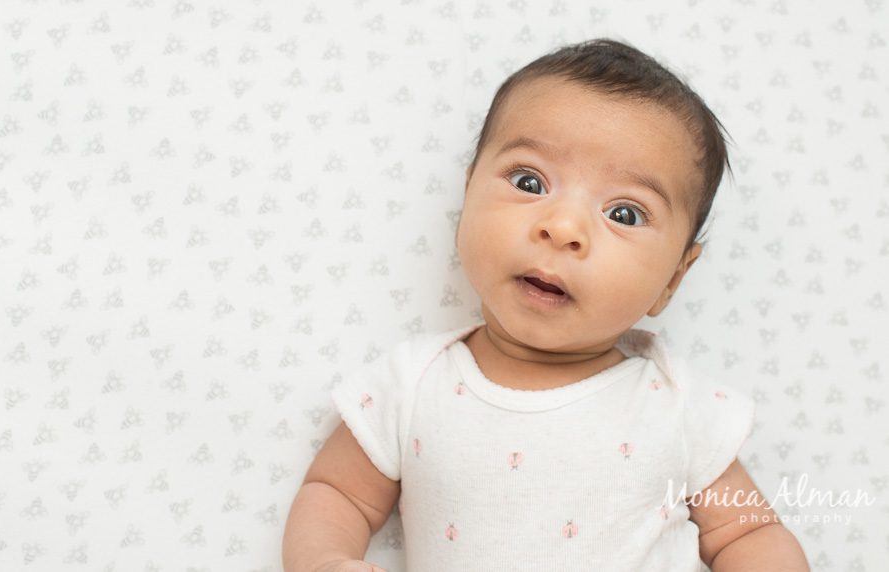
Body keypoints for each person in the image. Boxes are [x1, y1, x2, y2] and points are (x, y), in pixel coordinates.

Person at [283, 39, 810, 571]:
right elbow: (338, 493)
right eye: (529, 182)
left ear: (673, 278)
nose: (562, 228)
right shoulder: (412, 385)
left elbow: (748, 533)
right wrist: (326, 560)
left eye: (624, 214)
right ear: (468, 195)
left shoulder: (675, 403)